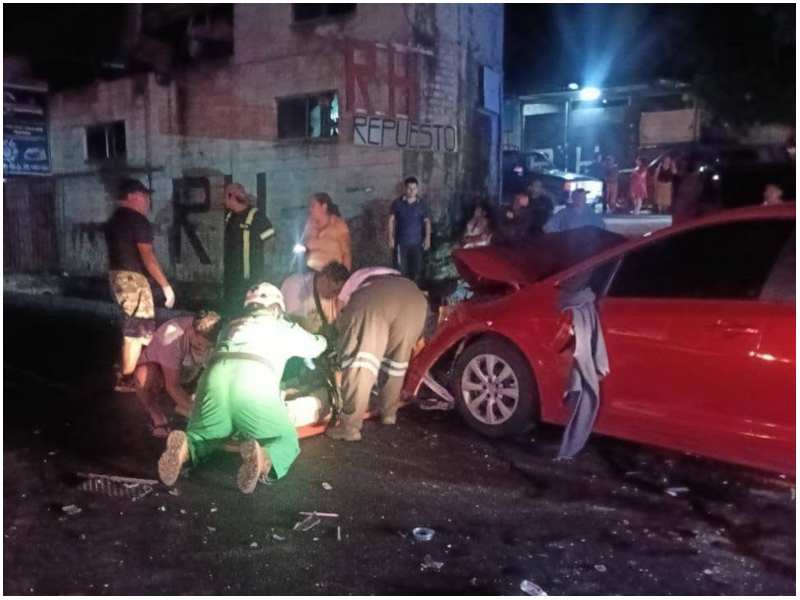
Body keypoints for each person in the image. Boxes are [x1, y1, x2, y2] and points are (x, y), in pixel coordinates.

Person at [157, 283, 327, 494]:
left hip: (215, 376)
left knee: (207, 434)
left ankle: (184, 450)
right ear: (276, 308)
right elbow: (317, 346)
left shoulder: (230, 325)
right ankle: (264, 459)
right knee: (285, 440)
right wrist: (324, 338)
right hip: (253, 379)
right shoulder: (284, 327)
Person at [319, 269, 427, 442]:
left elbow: (341, 319)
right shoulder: (372, 273)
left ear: (338, 283)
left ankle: (349, 428)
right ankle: (388, 413)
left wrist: (341, 348)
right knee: (397, 361)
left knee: (360, 363)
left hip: (376, 300)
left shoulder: (352, 283)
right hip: (415, 299)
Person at [105, 178, 175, 391]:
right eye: (144, 196)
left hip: (117, 276)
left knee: (139, 329)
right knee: (135, 332)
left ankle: (135, 371)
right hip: (133, 279)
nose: (147, 200)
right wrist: (166, 286)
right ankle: (126, 379)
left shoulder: (114, 220)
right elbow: (147, 255)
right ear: (133, 196)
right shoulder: (138, 220)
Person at [133, 311, 221, 438]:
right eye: (200, 344)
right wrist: (199, 415)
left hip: (188, 372)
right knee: (143, 376)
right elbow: (172, 386)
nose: (203, 349)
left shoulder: (218, 339)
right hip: (161, 374)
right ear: (191, 330)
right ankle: (156, 414)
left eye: (208, 346)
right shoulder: (171, 335)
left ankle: (182, 405)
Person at [223, 182, 275, 315]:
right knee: (231, 311)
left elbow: (270, 242)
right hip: (232, 278)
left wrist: (266, 269)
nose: (224, 200)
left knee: (248, 311)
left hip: (250, 278)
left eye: (225, 196)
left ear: (231, 197)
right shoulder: (230, 217)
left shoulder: (257, 217)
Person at [281, 261, 352, 335]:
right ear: (325, 278)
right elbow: (289, 320)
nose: (335, 296)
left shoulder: (321, 292)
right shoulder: (295, 284)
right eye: (335, 291)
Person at [388, 176, 432, 284]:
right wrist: (390, 237)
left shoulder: (422, 204)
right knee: (400, 271)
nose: (412, 191)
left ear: (417, 189)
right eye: (409, 188)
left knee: (416, 270)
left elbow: (427, 222)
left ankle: (415, 294)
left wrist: (427, 238)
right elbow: (391, 220)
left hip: (417, 243)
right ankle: (401, 295)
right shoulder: (397, 203)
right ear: (405, 189)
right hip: (401, 243)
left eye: (414, 188)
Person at [301, 193, 352, 271]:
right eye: (310, 206)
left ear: (324, 207)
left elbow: (346, 253)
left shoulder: (338, 225)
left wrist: (345, 276)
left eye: (313, 206)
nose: (310, 209)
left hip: (331, 273)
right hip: (310, 272)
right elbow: (303, 247)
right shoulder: (309, 225)